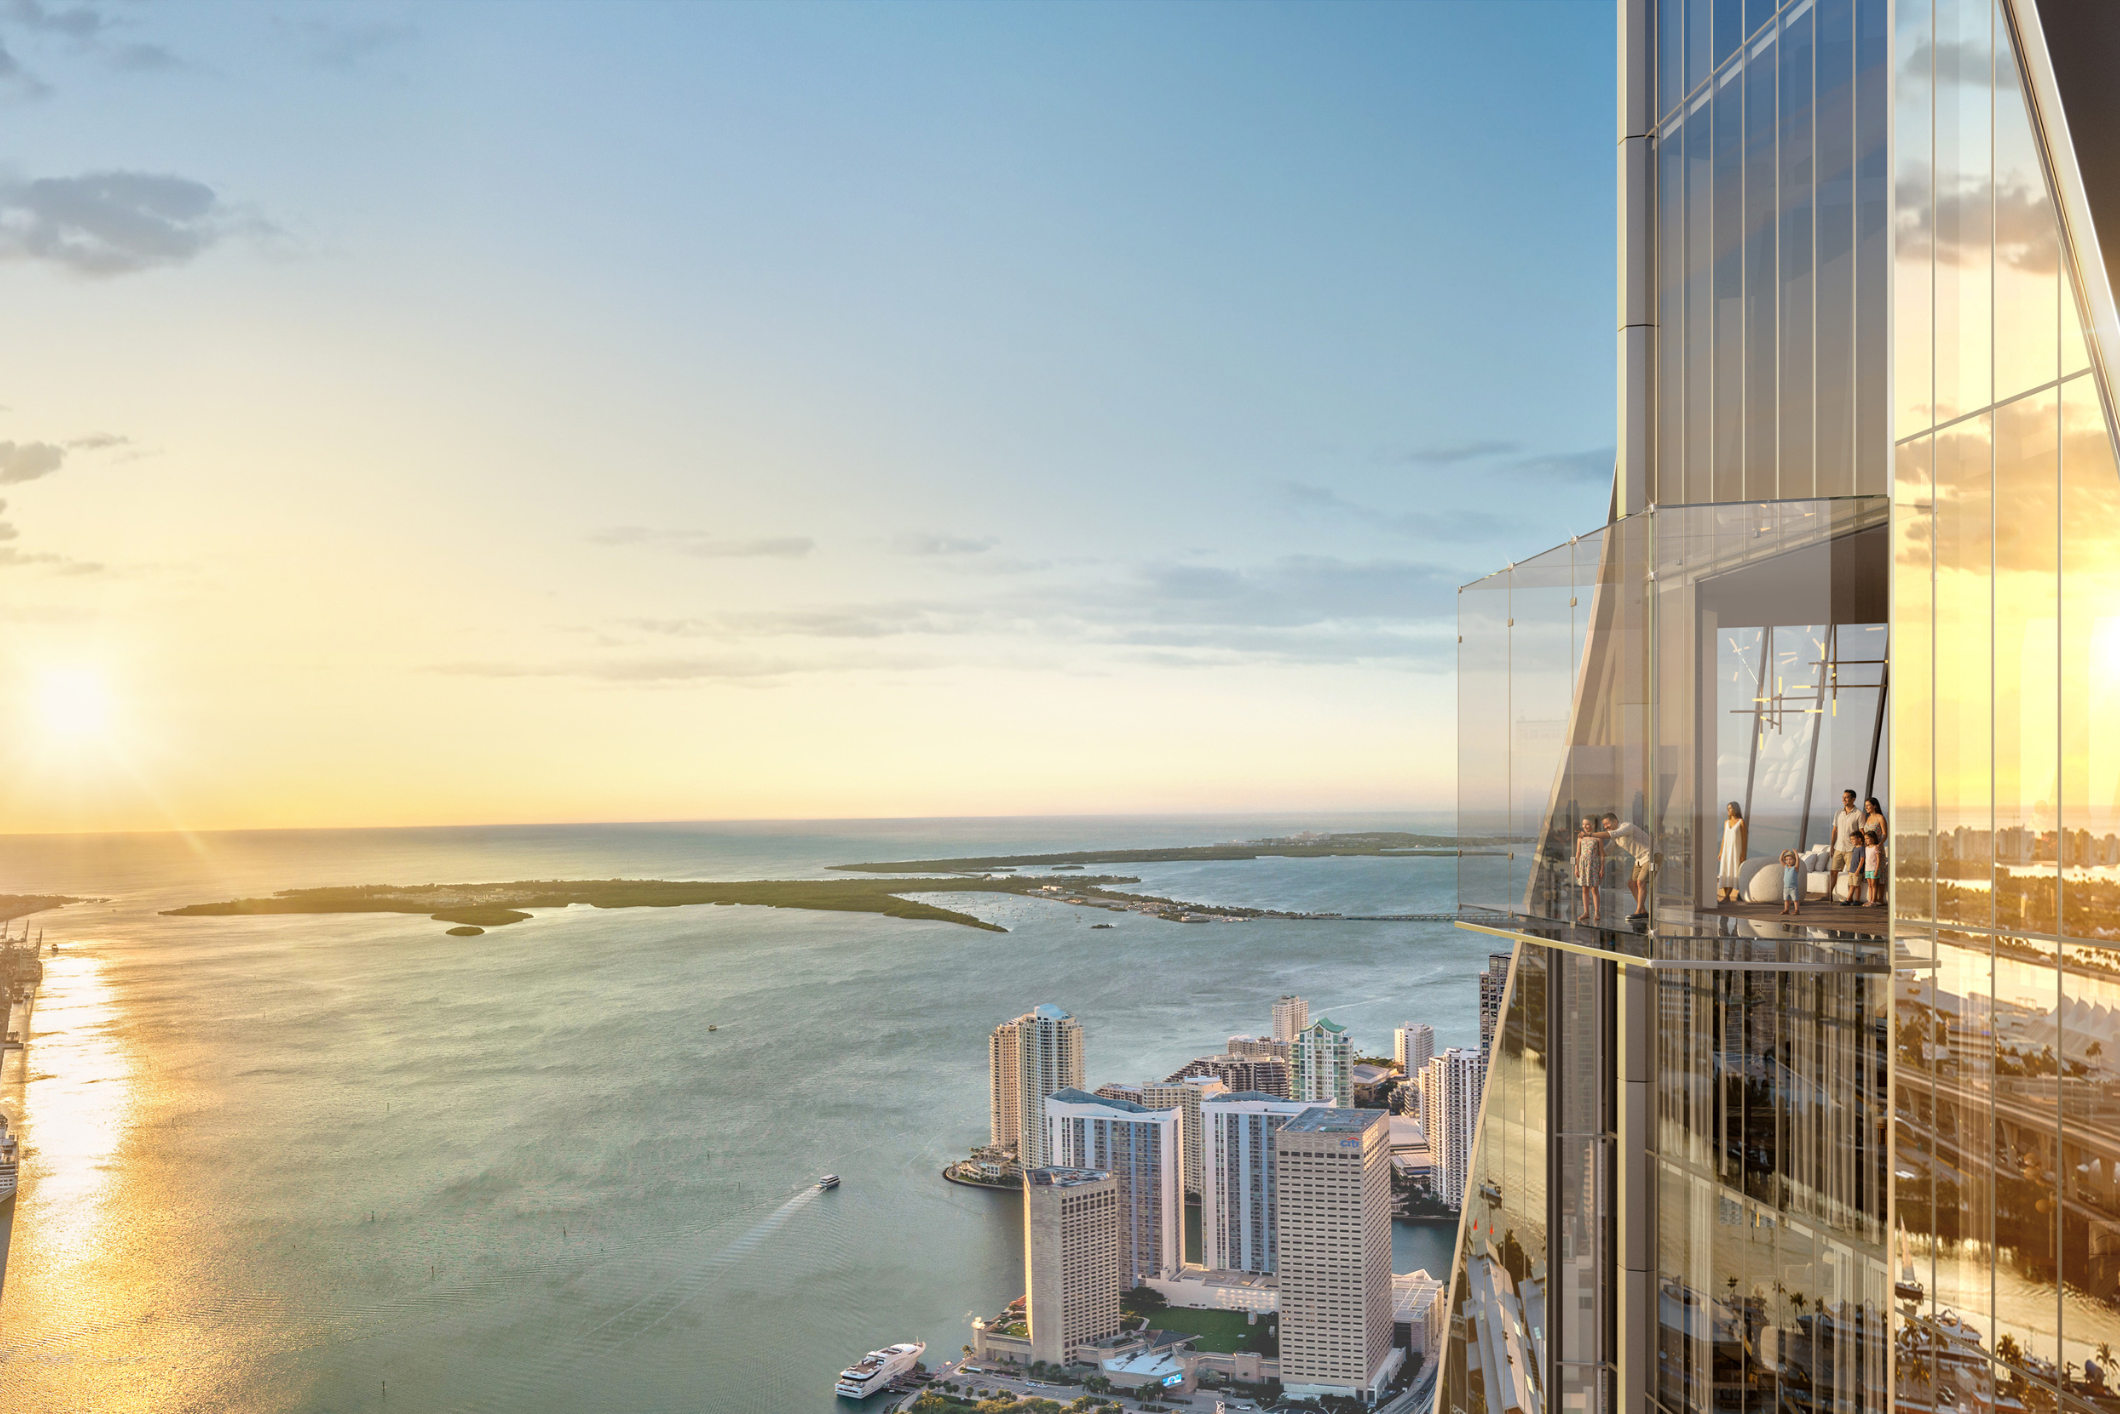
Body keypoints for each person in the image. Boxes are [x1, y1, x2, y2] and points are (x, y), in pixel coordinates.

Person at [1595, 812, 1654, 920]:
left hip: (1651, 855)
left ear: (1615, 821)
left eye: (1607, 824)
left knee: (1640, 882)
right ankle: (1644, 911)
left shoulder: (1626, 827)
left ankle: (1638, 911)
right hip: (1640, 858)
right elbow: (1607, 851)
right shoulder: (1615, 838)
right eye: (1604, 825)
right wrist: (1591, 852)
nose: (1606, 827)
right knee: (1631, 883)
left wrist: (1591, 834)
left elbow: (1611, 834)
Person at [1826, 789, 1861, 903]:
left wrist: (1861, 848)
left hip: (1852, 849)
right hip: (1839, 847)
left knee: (1852, 874)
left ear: (1853, 799)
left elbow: (1861, 831)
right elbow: (1835, 830)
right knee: (1833, 872)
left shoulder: (1858, 814)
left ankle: (1850, 898)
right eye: (1843, 797)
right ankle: (1829, 896)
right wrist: (1832, 846)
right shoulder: (1838, 813)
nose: (1844, 800)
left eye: (1846, 797)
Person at [1573, 816, 1605, 924]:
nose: (1585, 826)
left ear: (1593, 825)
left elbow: (1601, 854)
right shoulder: (1580, 838)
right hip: (1583, 864)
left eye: (1587, 824)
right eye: (1583, 824)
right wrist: (1576, 867)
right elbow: (1578, 853)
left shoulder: (1598, 838)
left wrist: (1602, 868)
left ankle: (1596, 911)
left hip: (1594, 864)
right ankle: (1586, 911)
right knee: (1584, 889)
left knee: (1594, 889)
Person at [1717, 802, 1748, 905]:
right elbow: (1724, 838)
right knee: (1725, 872)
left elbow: (1744, 840)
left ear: (1736, 809)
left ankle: (1726, 896)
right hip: (1726, 851)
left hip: (1735, 851)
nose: (1729, 810)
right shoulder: (1726, 822)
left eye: (1730, 808)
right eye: (1728, 809)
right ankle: (1727, 897)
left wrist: (1743, 854)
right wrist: (1721, 851)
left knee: (1732, 872)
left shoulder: (1741, 822)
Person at [1862, 796, 1889, 906]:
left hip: (1877, 848)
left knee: (1880, 874)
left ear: (1875, 805)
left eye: (1868, 805)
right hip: (1868, 848)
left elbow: (1885, 834)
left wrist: (1880, 844)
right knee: (1871, 874)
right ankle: (1873, 900)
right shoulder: (1867, 818)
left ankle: (1880, 899)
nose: (1867, 807)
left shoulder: (1880, 818)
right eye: (1866, 806)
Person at [1863, 829, 1884, 906]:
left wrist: (1876, 870)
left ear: (1873, 838)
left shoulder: (1876, 848)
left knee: (1874, 885)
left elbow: (1878, 860)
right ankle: (1870, 900)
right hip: (1867, 869)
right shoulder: (1866, 848)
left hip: (1874, 869)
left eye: (1868, 838)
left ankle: (1873, 901)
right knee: (1870, 885)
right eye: (1865, 839)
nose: (1866, 840)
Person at [1779, 849, 1803, 916]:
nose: (1788, 861)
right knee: (1786, 900)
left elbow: (1798, 860)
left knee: (1795, 900)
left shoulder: (1795, 868)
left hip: (1793, 888)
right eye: (1787, 860)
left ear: (1794, 860)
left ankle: (1796, 910)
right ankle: (1786, 910)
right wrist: (1783, 853)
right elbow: (1780, 860)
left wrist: (1795, 853)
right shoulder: (1786, 867)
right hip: (1786, 887)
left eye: (1790, 859)